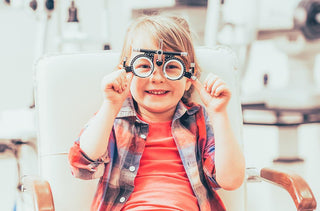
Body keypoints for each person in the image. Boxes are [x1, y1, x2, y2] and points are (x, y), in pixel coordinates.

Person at [68, 15, 245, 211]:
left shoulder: (198, 120)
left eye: (172, 67)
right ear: (125, 73)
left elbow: (231, 180)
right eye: (144, 65)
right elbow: (81, 167)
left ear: (188, 79)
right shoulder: (114, 119)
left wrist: (219, 114)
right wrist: (110, 105)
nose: (157, 77)